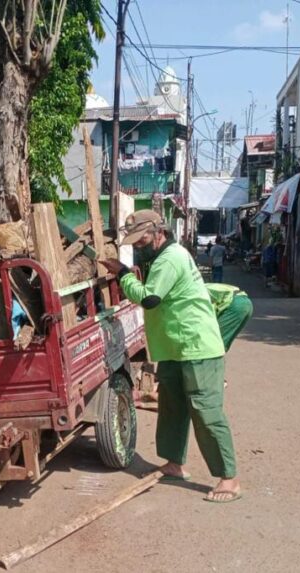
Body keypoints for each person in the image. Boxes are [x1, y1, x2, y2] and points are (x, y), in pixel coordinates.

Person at [100, 210, 241, 503]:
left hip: (197, 347)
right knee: (172, 407)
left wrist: (123, 274)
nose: (139, 246)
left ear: (159, 232)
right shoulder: (163, 257)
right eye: (135, 242)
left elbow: (150, 298)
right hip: (174, 349)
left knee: (206, 411)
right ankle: (175, 463)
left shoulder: (170, 258)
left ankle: (229, 479)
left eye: (142, 240)